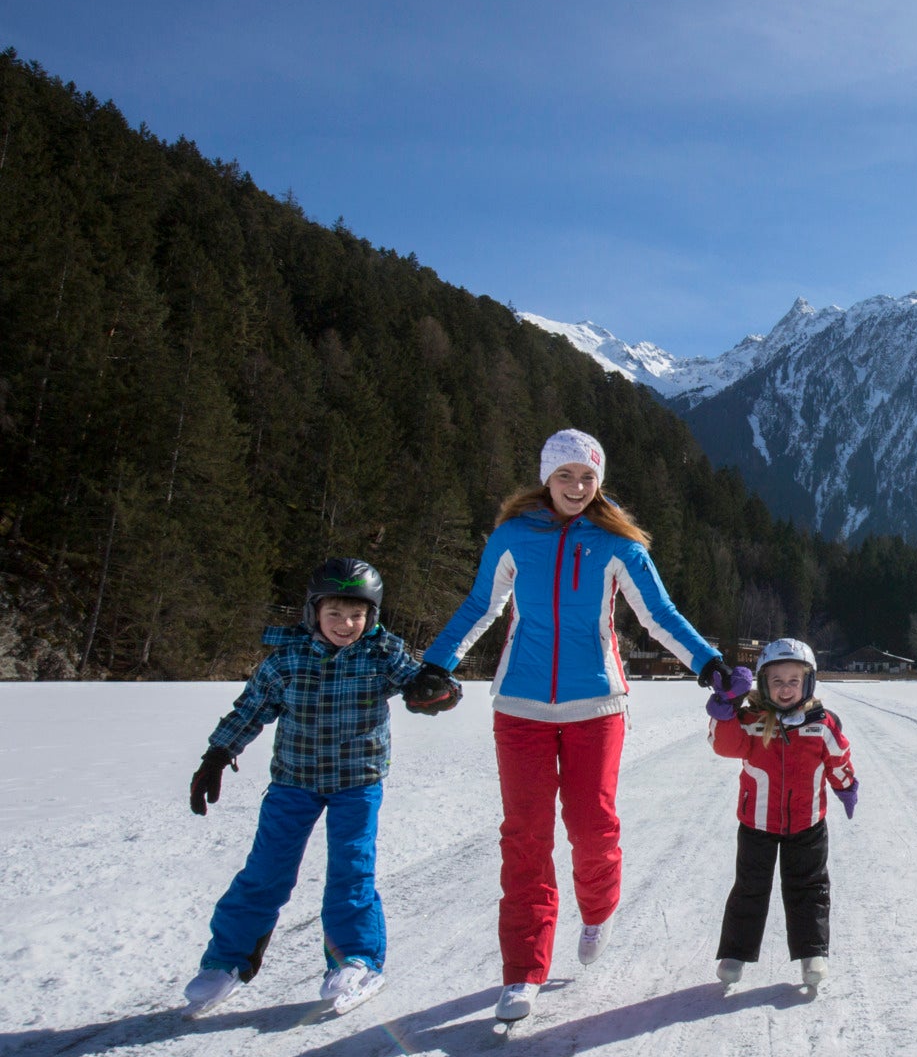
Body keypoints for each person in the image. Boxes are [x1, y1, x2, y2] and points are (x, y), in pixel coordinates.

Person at [412, 428, 749, 1023]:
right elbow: (479, 606)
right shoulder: (513, 536)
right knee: (525, 835)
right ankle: (522, 971)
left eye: (587, 477)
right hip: (519, 706)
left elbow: (657, 615)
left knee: (592, 825)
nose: (576, 486)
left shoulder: (617, 543)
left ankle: (597, 910)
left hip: (597, 705)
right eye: (565, 476)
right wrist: (437, 663)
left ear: (600, 482)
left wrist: (708, 662)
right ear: (547, 478)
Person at [182, 557, 453, 1018]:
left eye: (357, 615)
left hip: (357, 783)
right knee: (265, 872)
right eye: (335, 614)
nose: (346, 625)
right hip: (294, 782)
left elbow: (420, 684)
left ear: (372, 616)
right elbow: (251, 709)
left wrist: (438, 690)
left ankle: (357, 960)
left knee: (350, 871)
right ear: (314, 613)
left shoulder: (382, 653)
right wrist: (218, 754)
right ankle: (226, 962)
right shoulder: (286, 659)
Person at [706, 637, 858, 989]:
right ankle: (735, 953)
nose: (786, 689)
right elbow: (722, 745)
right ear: (763, 684)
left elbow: (839, 758)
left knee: (809, 888)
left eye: (793, 681)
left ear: (808, 683)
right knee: (749, 888)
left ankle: (812, 953)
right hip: (757, 822)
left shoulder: (822, 723)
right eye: (777, 681)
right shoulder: (751, 721)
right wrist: (726, 708)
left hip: (807, 823)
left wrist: (846, 786)